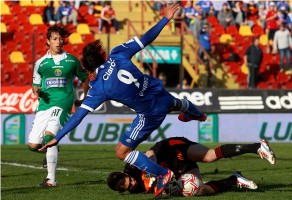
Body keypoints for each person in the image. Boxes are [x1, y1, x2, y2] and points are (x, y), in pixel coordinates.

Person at [39, 4, 207, 197]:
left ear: (87, 70)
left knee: (122, 152)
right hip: (160, 93)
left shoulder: (98, 88)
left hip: (150, 114)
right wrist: (165, 18)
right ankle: (198, 113)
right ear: (101, 55)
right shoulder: (118, 53)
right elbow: (146, 39)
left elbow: (79, 117)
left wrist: (57, 137)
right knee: (177, 103)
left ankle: (163, 174)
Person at [106, 137, 276, 195]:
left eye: (124, 180)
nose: (128, 184)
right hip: (177, 169)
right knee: (196, 191)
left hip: (171, 149)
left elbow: (149, 154)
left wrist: (154, 170)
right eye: (123, 187)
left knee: (209, 156)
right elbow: (162, 188)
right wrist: (170, 188)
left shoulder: (130, 167)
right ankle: (234, 180)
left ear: (124, 174)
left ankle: (257, 147)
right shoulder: (135, 190)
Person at [28, 25, 89, 187]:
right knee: (33, 145)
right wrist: (37, 90)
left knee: (50, 137)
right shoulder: (40, 63)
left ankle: (51, 179)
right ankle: (52, 150)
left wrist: (84, 97)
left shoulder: (71, 60)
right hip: (44, 104)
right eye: (55, 39)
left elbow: (85, 78)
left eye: (61, 39)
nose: (59, 42)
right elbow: (35, 84)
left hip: (63, 102)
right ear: (48, 41)